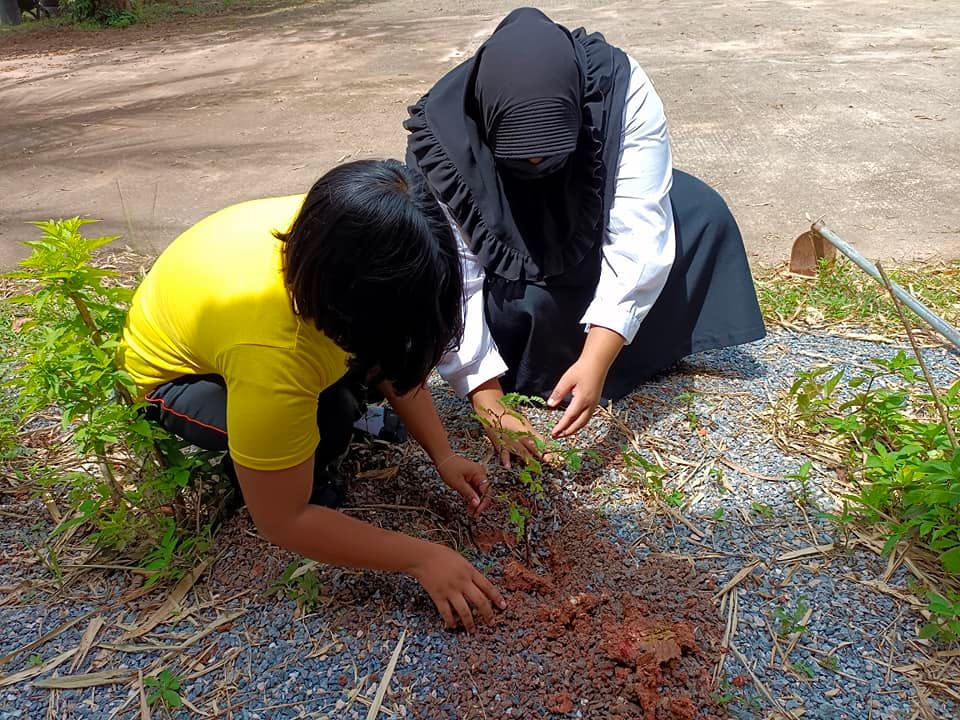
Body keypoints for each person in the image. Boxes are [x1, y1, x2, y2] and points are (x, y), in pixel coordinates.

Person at [117, 160, 505, 633]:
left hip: (240, 326)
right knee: (330, 417)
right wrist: (422, 558)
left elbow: (393, 346)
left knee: (347, 386)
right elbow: (282, 520)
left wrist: (443, 454)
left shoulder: (348, 231)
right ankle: (266, 462)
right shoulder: (276, 355)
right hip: (173, 379)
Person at [404, 7, 766, 463]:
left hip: (590, 215)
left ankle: (611, 355)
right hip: (507, 246)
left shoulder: (619, 91)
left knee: (699, 212)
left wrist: (597, 358)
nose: (537, 169)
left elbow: (638, 229)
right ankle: (532, 361)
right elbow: (458, 274)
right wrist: (485, 395)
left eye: (550, 154)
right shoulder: (441, 138)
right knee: (525, 300)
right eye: (521, 159)